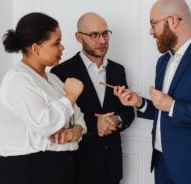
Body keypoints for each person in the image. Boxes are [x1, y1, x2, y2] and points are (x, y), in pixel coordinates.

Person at [114, 0, 191, 184]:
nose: (150, 31)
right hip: (163, 163)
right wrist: (140, 103)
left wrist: (173, 106)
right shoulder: (163, 62)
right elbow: (164, 111)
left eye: (153, 24)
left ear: (173, 20)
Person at [0, 12, 87, 184]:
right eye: (57, 43)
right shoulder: (18, 79)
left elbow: (78, 116)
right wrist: (71, 95)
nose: (62, 48)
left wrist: (76, 131)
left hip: (59, 167)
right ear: (36, 48)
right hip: (28, 171)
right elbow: (46, 124)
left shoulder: (53, 79)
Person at [51, 12, 135, 184]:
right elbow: (59, 119)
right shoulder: (61, 72)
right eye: (94, 35)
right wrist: (94, 125)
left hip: (112, 167)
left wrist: (116, 119)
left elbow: (128, 112)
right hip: (77, 167)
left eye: (105, 34)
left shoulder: (118, 70)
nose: (102, 41)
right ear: (78, 37)